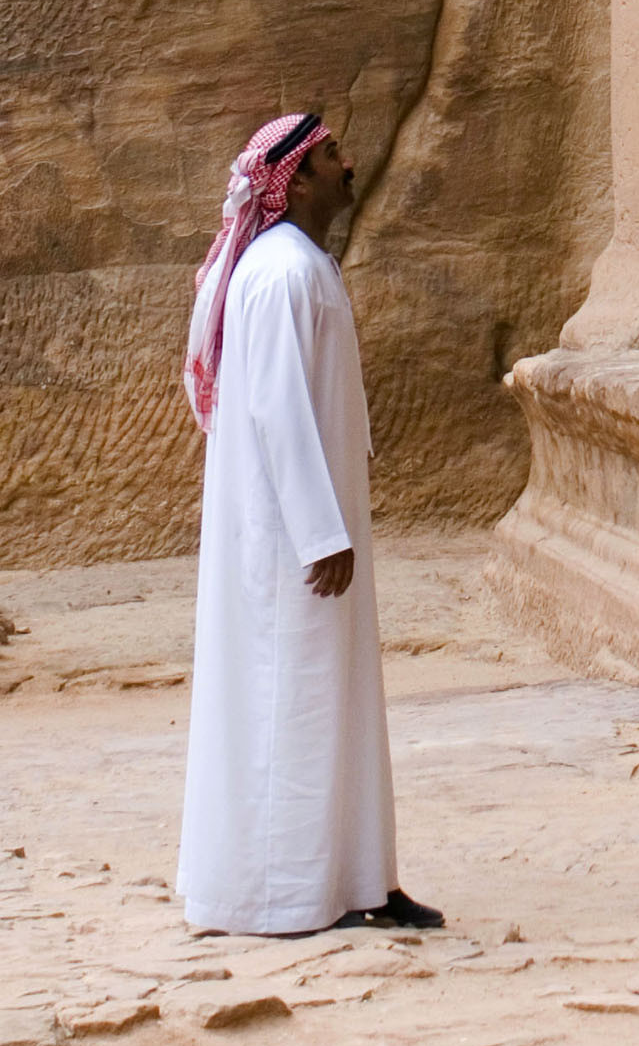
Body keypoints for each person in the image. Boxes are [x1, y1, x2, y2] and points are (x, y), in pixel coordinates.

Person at [176, 108, 443, 936]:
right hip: (288, 541)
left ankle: (361, 878)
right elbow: (277, 411)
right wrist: (321, 533)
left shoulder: (304, 264)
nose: (348, 164)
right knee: (287, 699)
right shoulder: (280, 273)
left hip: (317, 521)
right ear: (293, 182)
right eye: (332, 156)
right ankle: (283, 896)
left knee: (337, 699)